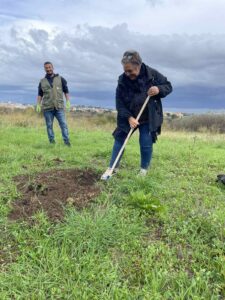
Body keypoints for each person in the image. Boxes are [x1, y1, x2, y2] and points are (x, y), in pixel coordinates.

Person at [101, 50, 172, 179]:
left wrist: (158, 89)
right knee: (120, 140)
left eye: (130, 71)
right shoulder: (122, 80)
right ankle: (112, 168)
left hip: (147, 116)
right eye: (125, 71)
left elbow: (168, 86)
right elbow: (119, 102)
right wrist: (129, 117)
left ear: (138, 65)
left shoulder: (152, 74)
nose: (127, 74)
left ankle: (143, 170)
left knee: (146, 141)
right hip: (128, 116)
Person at [36, 61, 71, 146]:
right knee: (49, 126)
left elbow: (66, 91)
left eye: (49, 67)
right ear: (44, 69)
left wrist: (68, 101)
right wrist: (38, 104)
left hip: (59, 107)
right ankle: (52, 142)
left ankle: (67, 142)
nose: (48, 69)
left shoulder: (60, 79)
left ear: (52, 67)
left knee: (63, 125)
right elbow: (40, 94)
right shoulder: (42, 81)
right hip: (47, 108)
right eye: (46, 68)